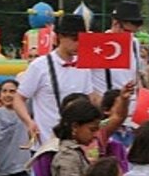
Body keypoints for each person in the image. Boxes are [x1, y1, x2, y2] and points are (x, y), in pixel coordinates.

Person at [14, 15, 95, 146]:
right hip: (46, 143)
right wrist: (29, 122)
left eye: (82, 40)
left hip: (76, 145)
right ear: (60, 37)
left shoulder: (83, 66)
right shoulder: (39, 66)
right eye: (75, 39)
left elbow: (90, 98)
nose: (79, 44)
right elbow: (18, 98)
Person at [92, 1, 145, 111]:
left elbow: (136, 76)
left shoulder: (134, 43)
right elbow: (87, 84)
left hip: (132, 110)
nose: (131, 36)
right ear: (116, 23)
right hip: (109, 110)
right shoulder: (96, 44)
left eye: (134, 33)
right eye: (128, 32)